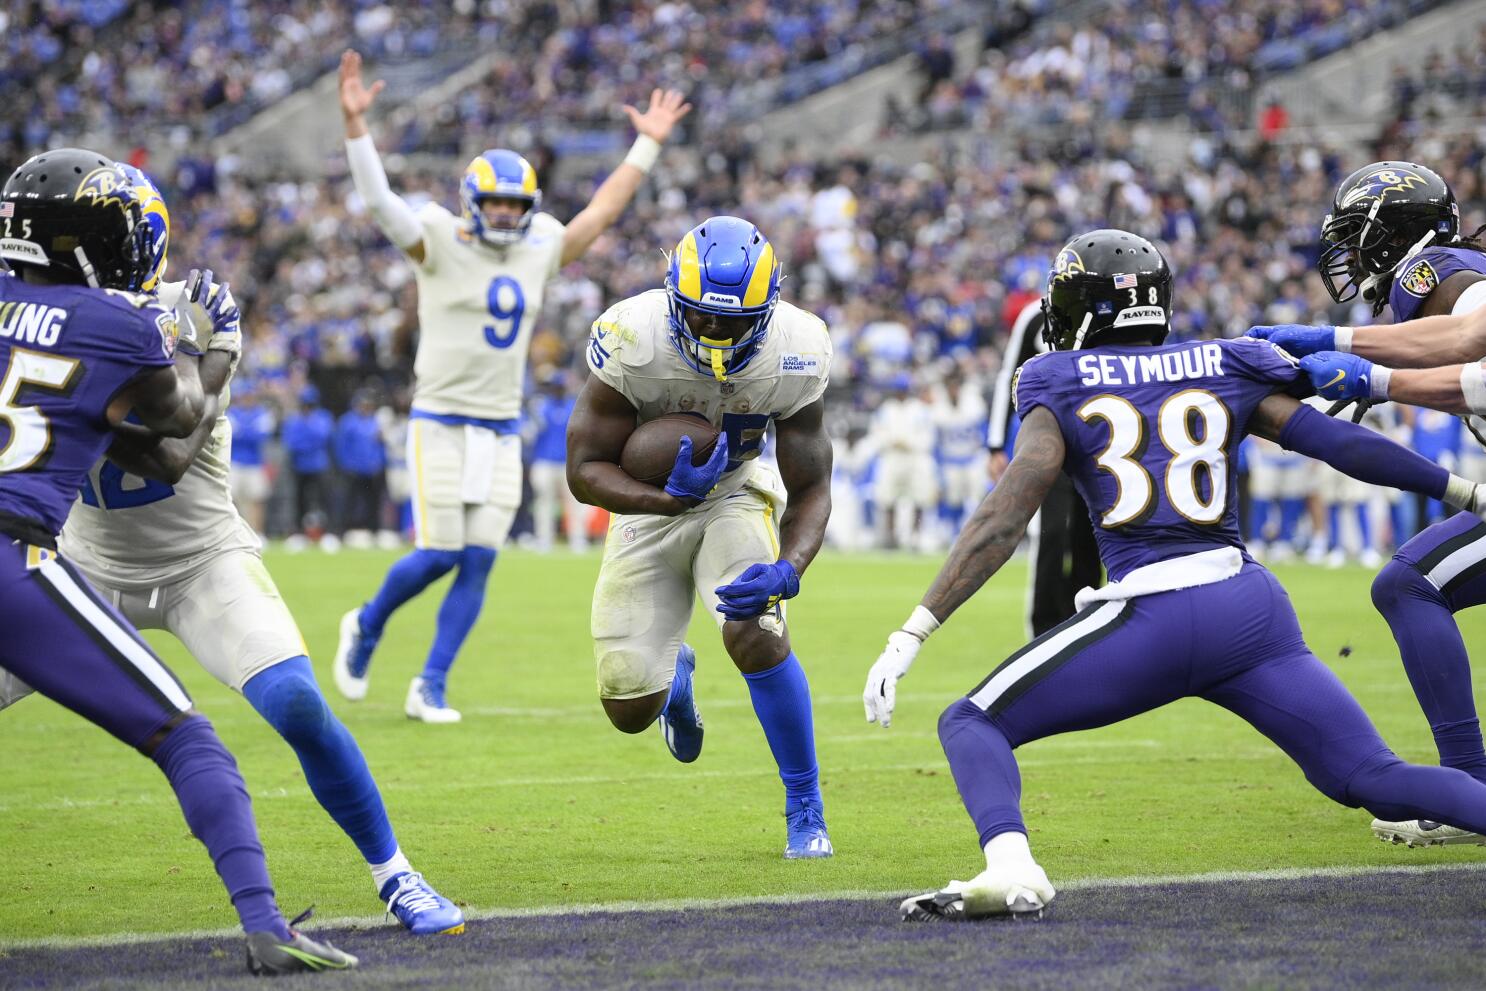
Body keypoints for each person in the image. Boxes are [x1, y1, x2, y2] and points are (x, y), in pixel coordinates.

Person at [862, 230, 1486, 922]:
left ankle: (1013, 864)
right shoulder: (1224, 360)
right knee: (1375, 778)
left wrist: (913, 630)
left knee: (971, 720)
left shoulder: (1052, 378)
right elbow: (1338, 442)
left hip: (1148, 616)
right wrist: (1464, 492)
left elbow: (1006, 513)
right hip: (1248, 612)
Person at [25, 165, 464, 936]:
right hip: (76, 561)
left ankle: (395, 872)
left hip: (198, 559)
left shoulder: (173, 322)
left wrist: (199, 366)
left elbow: (166, 453)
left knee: (296, 701)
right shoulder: (47, 318)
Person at [0, 148, 355, 973]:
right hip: (16, 559)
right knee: (188, 739)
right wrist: (216, 350)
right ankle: (266, 925)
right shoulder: (113, 324)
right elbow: (172, 441)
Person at [331, 50, 691, 721]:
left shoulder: (540, 244)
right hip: (439, 414)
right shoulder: (438, 236)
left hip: (499, 421)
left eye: (514, 204)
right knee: (439, 551)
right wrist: (357, 127)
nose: (503, 214)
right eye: (493, 202)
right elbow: (380, 201)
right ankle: (368, 622)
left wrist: (647, 143)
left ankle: (430, 684)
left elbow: (600, 213)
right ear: (471, 201)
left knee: (479, 561)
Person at [567, 217, 835, 858]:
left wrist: (789, 568)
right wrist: (663, 498)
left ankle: (806, 806)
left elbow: (814, 485)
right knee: (629, 708)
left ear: (768, 310)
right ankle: (675, 678)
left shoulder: (798, 349)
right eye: (701, 317)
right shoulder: (633, 333)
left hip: (736, 493)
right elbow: (582, 472)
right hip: (645, 508)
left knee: (756, 630)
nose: (715, 334)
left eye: (735, 321)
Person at [1249, 160, 1486, 846]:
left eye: (1357, 236)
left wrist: (1354, 357)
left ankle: (1468, 786)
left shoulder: (1434, 271)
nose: (1349, 255)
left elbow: (1475, 344)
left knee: (1409, 581)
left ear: (1393, 232)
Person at [987, 299, 1101, 635]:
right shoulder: (1036, 317)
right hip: (1048, 441)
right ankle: (1043, 628)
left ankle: (1087, 621)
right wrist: (995, 443)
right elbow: (1009, 374)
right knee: (1051, 533)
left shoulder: (1108, 315)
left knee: (1091, 534)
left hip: (1096, 441)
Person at [528, 370, 586, 552]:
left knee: (574, 503)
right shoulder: (542, 407)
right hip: (544, 461)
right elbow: (531, 433)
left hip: (567, 463)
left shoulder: (572, 407)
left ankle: (577, 539)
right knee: (544, 502)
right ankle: (544, 539)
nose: (557, 390)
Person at [281, 384, 334, 542]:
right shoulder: (294, 419)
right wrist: (309, 441)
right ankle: (298, 532)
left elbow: (323, 437)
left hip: (319, 465)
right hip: (300, 465)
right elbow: (291, 442)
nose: (307, 407)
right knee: (299, 500)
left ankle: (326, 532)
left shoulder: (323, 417)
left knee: (323, 500)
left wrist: (306, 438)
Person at [336, 388, 388, 542]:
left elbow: (380, 446)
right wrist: (346, 464)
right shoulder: (348, 421)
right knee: (349, 501)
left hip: (372, 470)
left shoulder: (375, 421)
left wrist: (380, 463)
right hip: (353, 469)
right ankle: (344, 530)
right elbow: (341, 445)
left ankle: (374, 530)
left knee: (373, 502)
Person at [226, 381, 274, 535]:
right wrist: (249, 431)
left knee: (256, 500)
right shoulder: (232, 412)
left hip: (255, 463)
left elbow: (261, 437)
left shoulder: (262, 413)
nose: (247, 399)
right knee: (231, 500)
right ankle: (235, 533)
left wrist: (243, 432)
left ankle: (257, 532)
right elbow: (231, 436)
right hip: (235, 462)